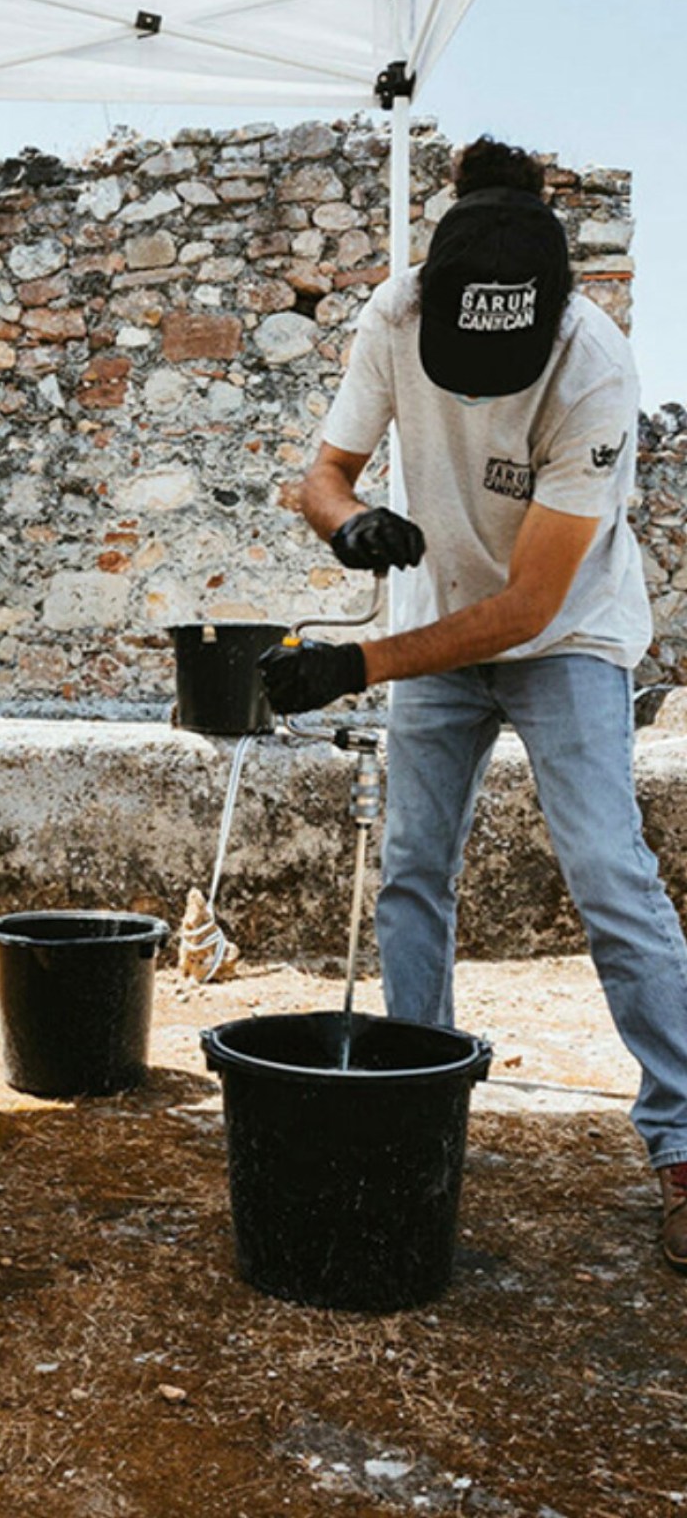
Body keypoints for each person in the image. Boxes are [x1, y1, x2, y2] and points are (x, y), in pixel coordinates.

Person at [259, 136, 687, 1273]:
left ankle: (684, 1142)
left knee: (607, 871)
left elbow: (534, 603)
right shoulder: (395, 315)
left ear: (551, 312)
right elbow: (323, 472)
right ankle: (420, 1102)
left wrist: (360, 666)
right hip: (437, 615)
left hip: (568, 637)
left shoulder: (594, 364)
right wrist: (349, 523)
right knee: (412, 868)